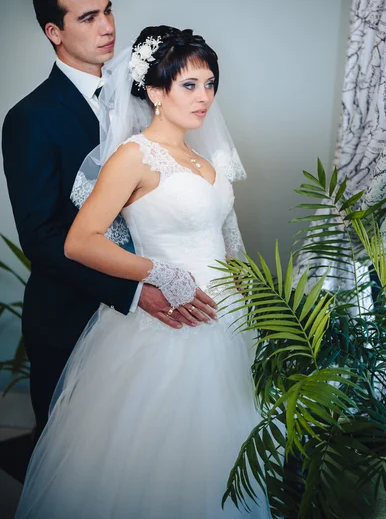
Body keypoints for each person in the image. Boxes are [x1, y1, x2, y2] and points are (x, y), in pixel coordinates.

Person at [14, 26, 271, 518]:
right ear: (155, 91)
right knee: (158, 465)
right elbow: (78, 241)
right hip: (168, 325)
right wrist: (158, 273)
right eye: (189, 85)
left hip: (229, 324)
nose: (204, 98)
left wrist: (252, 296)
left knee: (225, 456)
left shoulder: (206, 160)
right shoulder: (133, 155)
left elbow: (228, 245)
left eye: (210, 83)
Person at [2, 0, 215, 438]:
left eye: (109, 10)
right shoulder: (30, 119)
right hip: (72, 316)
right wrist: (136, 291)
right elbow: (41, 238)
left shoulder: (147, 97)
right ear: (53, 32)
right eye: (88, 17)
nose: (107, 27)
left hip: (160, 329)